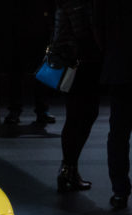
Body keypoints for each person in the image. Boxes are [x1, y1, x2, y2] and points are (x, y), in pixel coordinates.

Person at [95, 0, 132, 210]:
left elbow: (98, 27)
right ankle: (119, 189)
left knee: (118, 134)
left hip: (120, 67)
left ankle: (120, 191)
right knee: (118, 135)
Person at [49, 0, 102, 193]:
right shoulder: (78, 3)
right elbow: (85, 33)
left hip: (72, 62)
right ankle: (68, 168)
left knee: (75, 116)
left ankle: (68, 169)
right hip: (82, 64)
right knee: (84, 115)